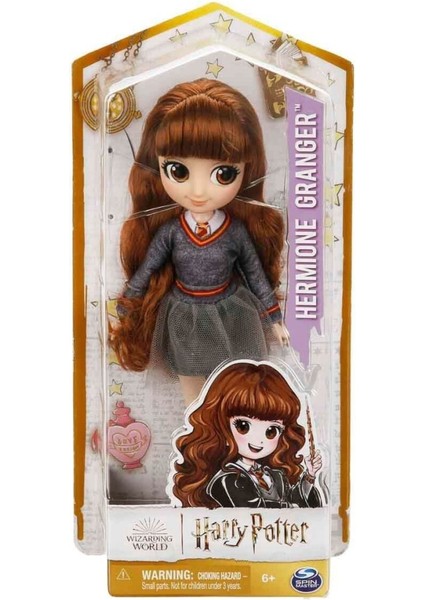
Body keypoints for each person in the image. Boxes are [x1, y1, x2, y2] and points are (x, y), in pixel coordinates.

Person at [111, 79, 287, 404]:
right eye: (178, 170)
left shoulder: (234, 231)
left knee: (230, 387)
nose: (198, 191)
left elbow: (255, 274)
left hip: (231, 313)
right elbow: (148, 268)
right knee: (192, 389)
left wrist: (274, 319)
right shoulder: (172, 232)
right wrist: (129, 302)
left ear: (246, 170)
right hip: (184, 316)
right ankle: (194, 431)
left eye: (223, 174)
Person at [172, 361, 322, 508]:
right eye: (243, 426)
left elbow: (299, 502)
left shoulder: (275, 476)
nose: (258, 439)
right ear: (222, 426)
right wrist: (291, 508)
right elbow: (253, 508)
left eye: (271, 431)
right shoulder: (227, 479)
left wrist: (310, 475)